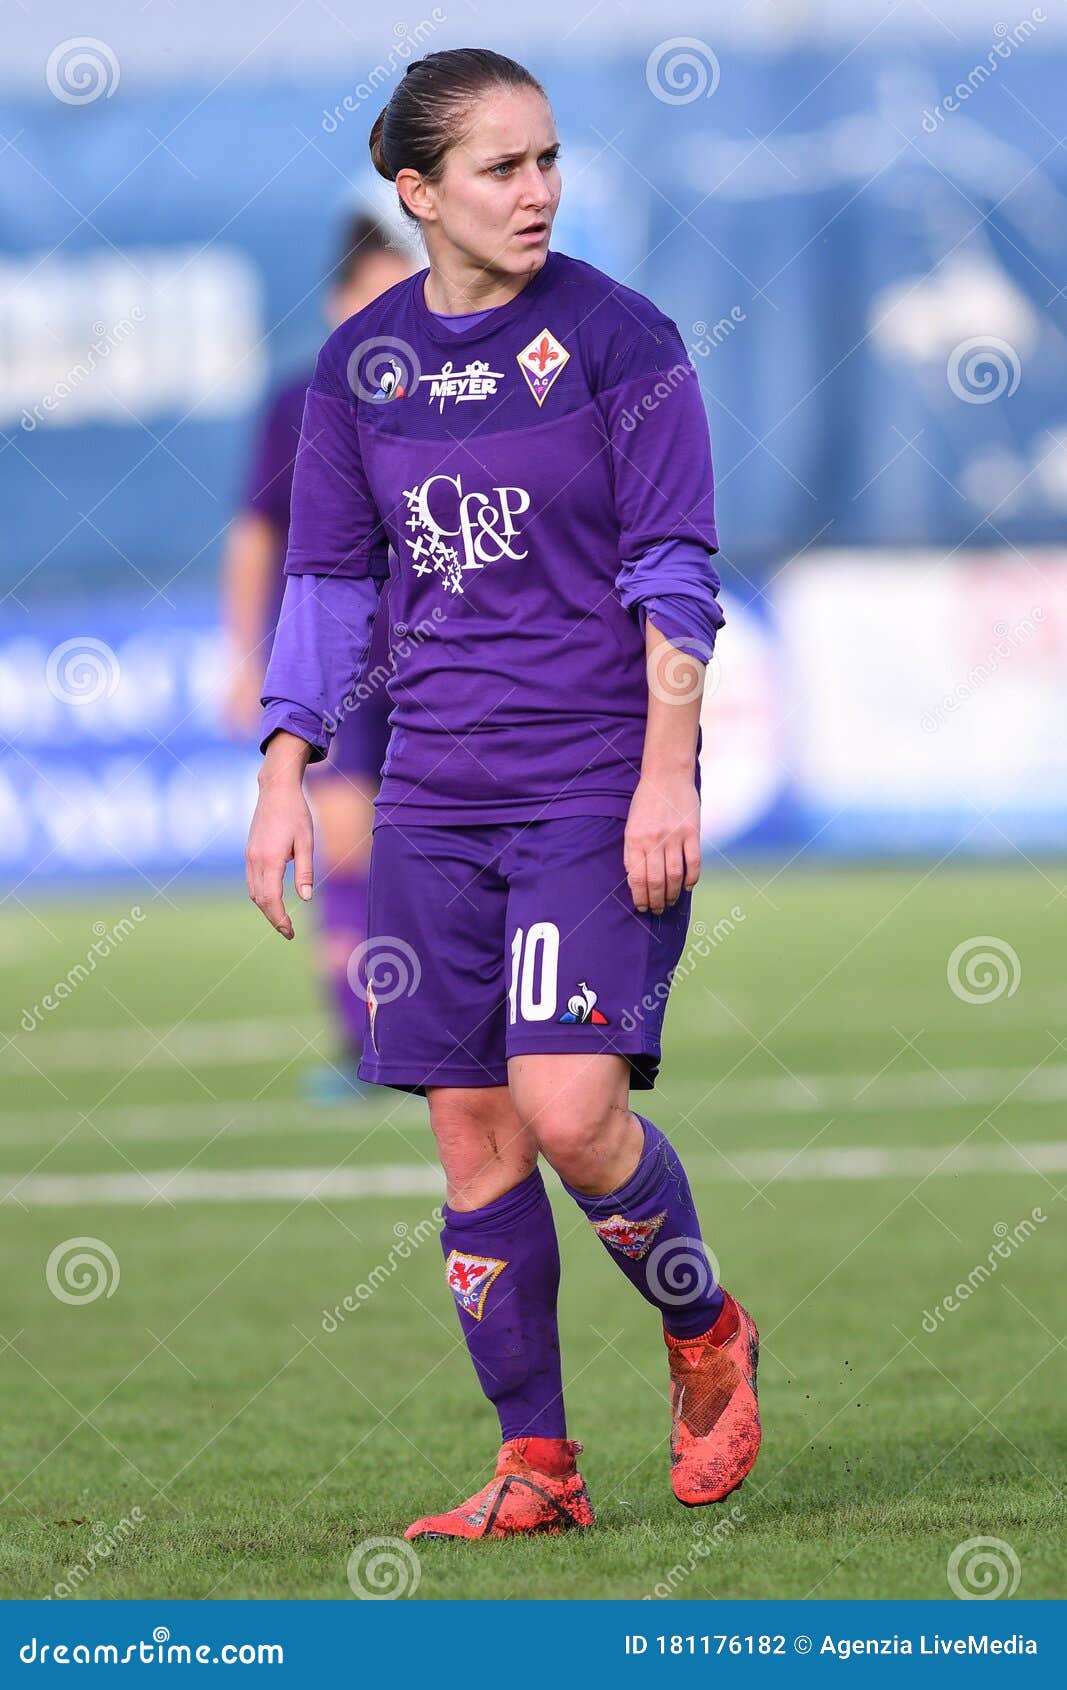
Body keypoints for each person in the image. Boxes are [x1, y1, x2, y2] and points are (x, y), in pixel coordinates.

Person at [246, 47, 761, 1540]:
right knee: (471, 1132)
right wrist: (288, 765)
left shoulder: (619, 337)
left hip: (596, 781)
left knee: (566, 1108)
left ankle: (701, 1324)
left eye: (546, 160)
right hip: (430, 798)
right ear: (415, 192)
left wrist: (666, 771)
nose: (536, 191)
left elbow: (674, 572)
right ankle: (535, 1466)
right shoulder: (363, 370)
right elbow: (333, 579)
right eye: (499, 167)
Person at [222, 215, 412, 1098]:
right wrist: (243, 657)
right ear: (339, 305)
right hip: (337, 663)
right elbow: (256, 536)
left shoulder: (449, 395)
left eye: (399, 292)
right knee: (342, 847)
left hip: (440, 657)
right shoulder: (299, 402)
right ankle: (366, 1043)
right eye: (369, 294)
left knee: (432, 853)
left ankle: (442, 1031)